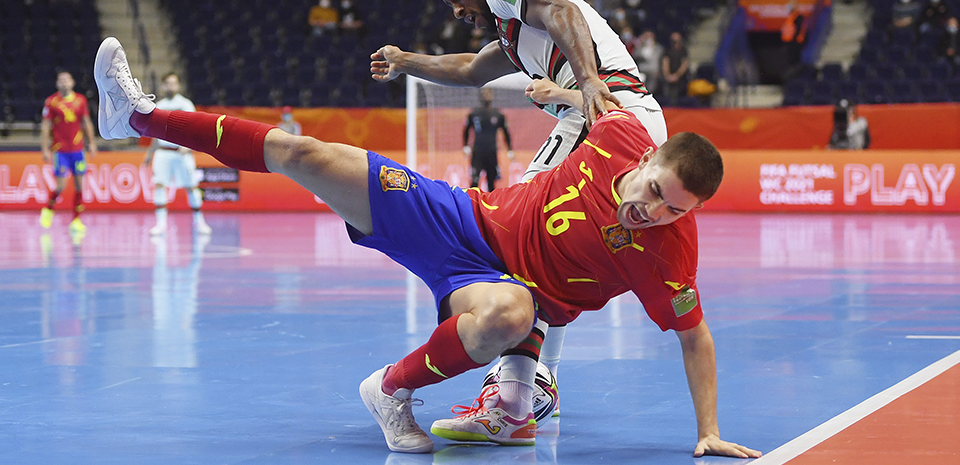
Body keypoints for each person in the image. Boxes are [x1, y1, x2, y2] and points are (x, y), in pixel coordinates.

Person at [95, 36, 761, 459]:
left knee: (512, 316)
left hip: (508, 293)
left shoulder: (669, 251)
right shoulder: (619, 134)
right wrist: (564, 91)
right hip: (460, 222)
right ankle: (136, 116)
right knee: (304, 153)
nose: (652, 213)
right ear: (647, 161)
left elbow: (694, 336)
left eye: (674, 210)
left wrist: (707, 429)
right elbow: (594, 95)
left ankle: (390, 392)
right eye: (653, 193)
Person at [370, 0, 666, 428]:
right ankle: (530, 387)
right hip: (616, 121)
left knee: (513, 240)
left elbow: (560, 8)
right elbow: (466, 69)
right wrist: (405, 60)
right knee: (544, 254)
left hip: (604, 117)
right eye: (449, 3)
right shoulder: (513, 33)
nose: (458, 8)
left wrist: (589, 80)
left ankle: (518, 393)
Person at [142, 73, 211, 237]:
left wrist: (190, 146)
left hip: (182, 153)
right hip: (163, 153)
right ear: (163, 86)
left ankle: (199, 222)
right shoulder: (158, 106)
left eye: (174, 83)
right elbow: (155, 134)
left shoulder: (185, 104)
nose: (171, 86)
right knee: (159, 185)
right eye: (168, 83)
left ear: (178, 85)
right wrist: (149, 154)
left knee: (191, 186)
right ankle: (160, 224)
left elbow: (195, 128)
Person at [39, 71, 97, 233]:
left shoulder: (80, 100)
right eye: (61, 80)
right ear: (57, 84)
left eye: (67, 80)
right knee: (60, 186)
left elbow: (86, 122)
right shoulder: (51, 102)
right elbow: (45, 126)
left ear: (72, 82)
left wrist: (91, 142)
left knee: (79, 186)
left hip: (77, 150)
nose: (64, 83)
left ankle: (76, 220)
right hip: (60, 151)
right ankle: (49, 209)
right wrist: (44, 148)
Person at [463, 87, 514, 191]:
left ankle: (490, 206)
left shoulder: (498, 114)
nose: (487, 96)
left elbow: (506, 132)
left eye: (489, 93)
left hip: (491, 152)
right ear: (480, 97)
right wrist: (466, 146)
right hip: (477, 152)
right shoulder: (474, 113)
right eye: (484, 94)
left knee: (492, 182)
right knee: (474, 182)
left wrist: (509, 149)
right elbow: (466, 130)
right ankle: (471, 205)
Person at [661, 32, 690, 106]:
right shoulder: (668, 50)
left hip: (680, 76)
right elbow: (665, 62)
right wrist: (668, 75)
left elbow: (684, 64)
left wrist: (677, 75)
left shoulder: (683, 50)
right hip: (669, 76)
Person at [633, 30, 664, 94]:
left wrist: (659, 70)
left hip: (653, 71)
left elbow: (660, 61)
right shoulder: (640, 48)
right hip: (642, 71)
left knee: (652, 87)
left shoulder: (658, 48)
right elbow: (635, 54)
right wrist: (640, 44)